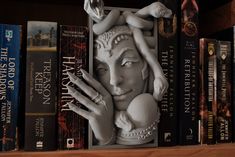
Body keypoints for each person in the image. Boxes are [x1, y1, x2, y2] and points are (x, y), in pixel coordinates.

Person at [66, 1, 171, 146]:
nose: (114, 80)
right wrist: (106, 135)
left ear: (145, 67)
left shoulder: (144, 103)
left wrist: (159, 75)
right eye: (102, 69)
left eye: (126, 62)